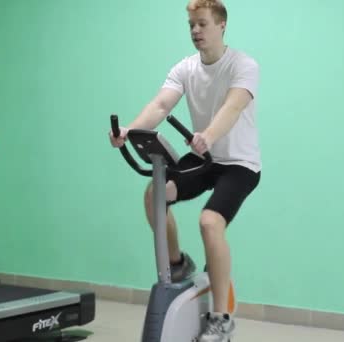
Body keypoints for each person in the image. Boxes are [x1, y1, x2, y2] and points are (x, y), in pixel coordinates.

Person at [109, 0, 260, 340]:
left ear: (221, 25)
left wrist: (209, 135)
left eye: (202, 24)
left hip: (240, 163)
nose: (195, 31)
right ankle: (178, 264)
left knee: (209, 221)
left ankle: (221, 319)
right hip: (205, 159)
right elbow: (161, 105)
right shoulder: (185, 68)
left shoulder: (244, 65)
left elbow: (233, 106)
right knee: (154, 195)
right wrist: (128, 132)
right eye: (191, 24)